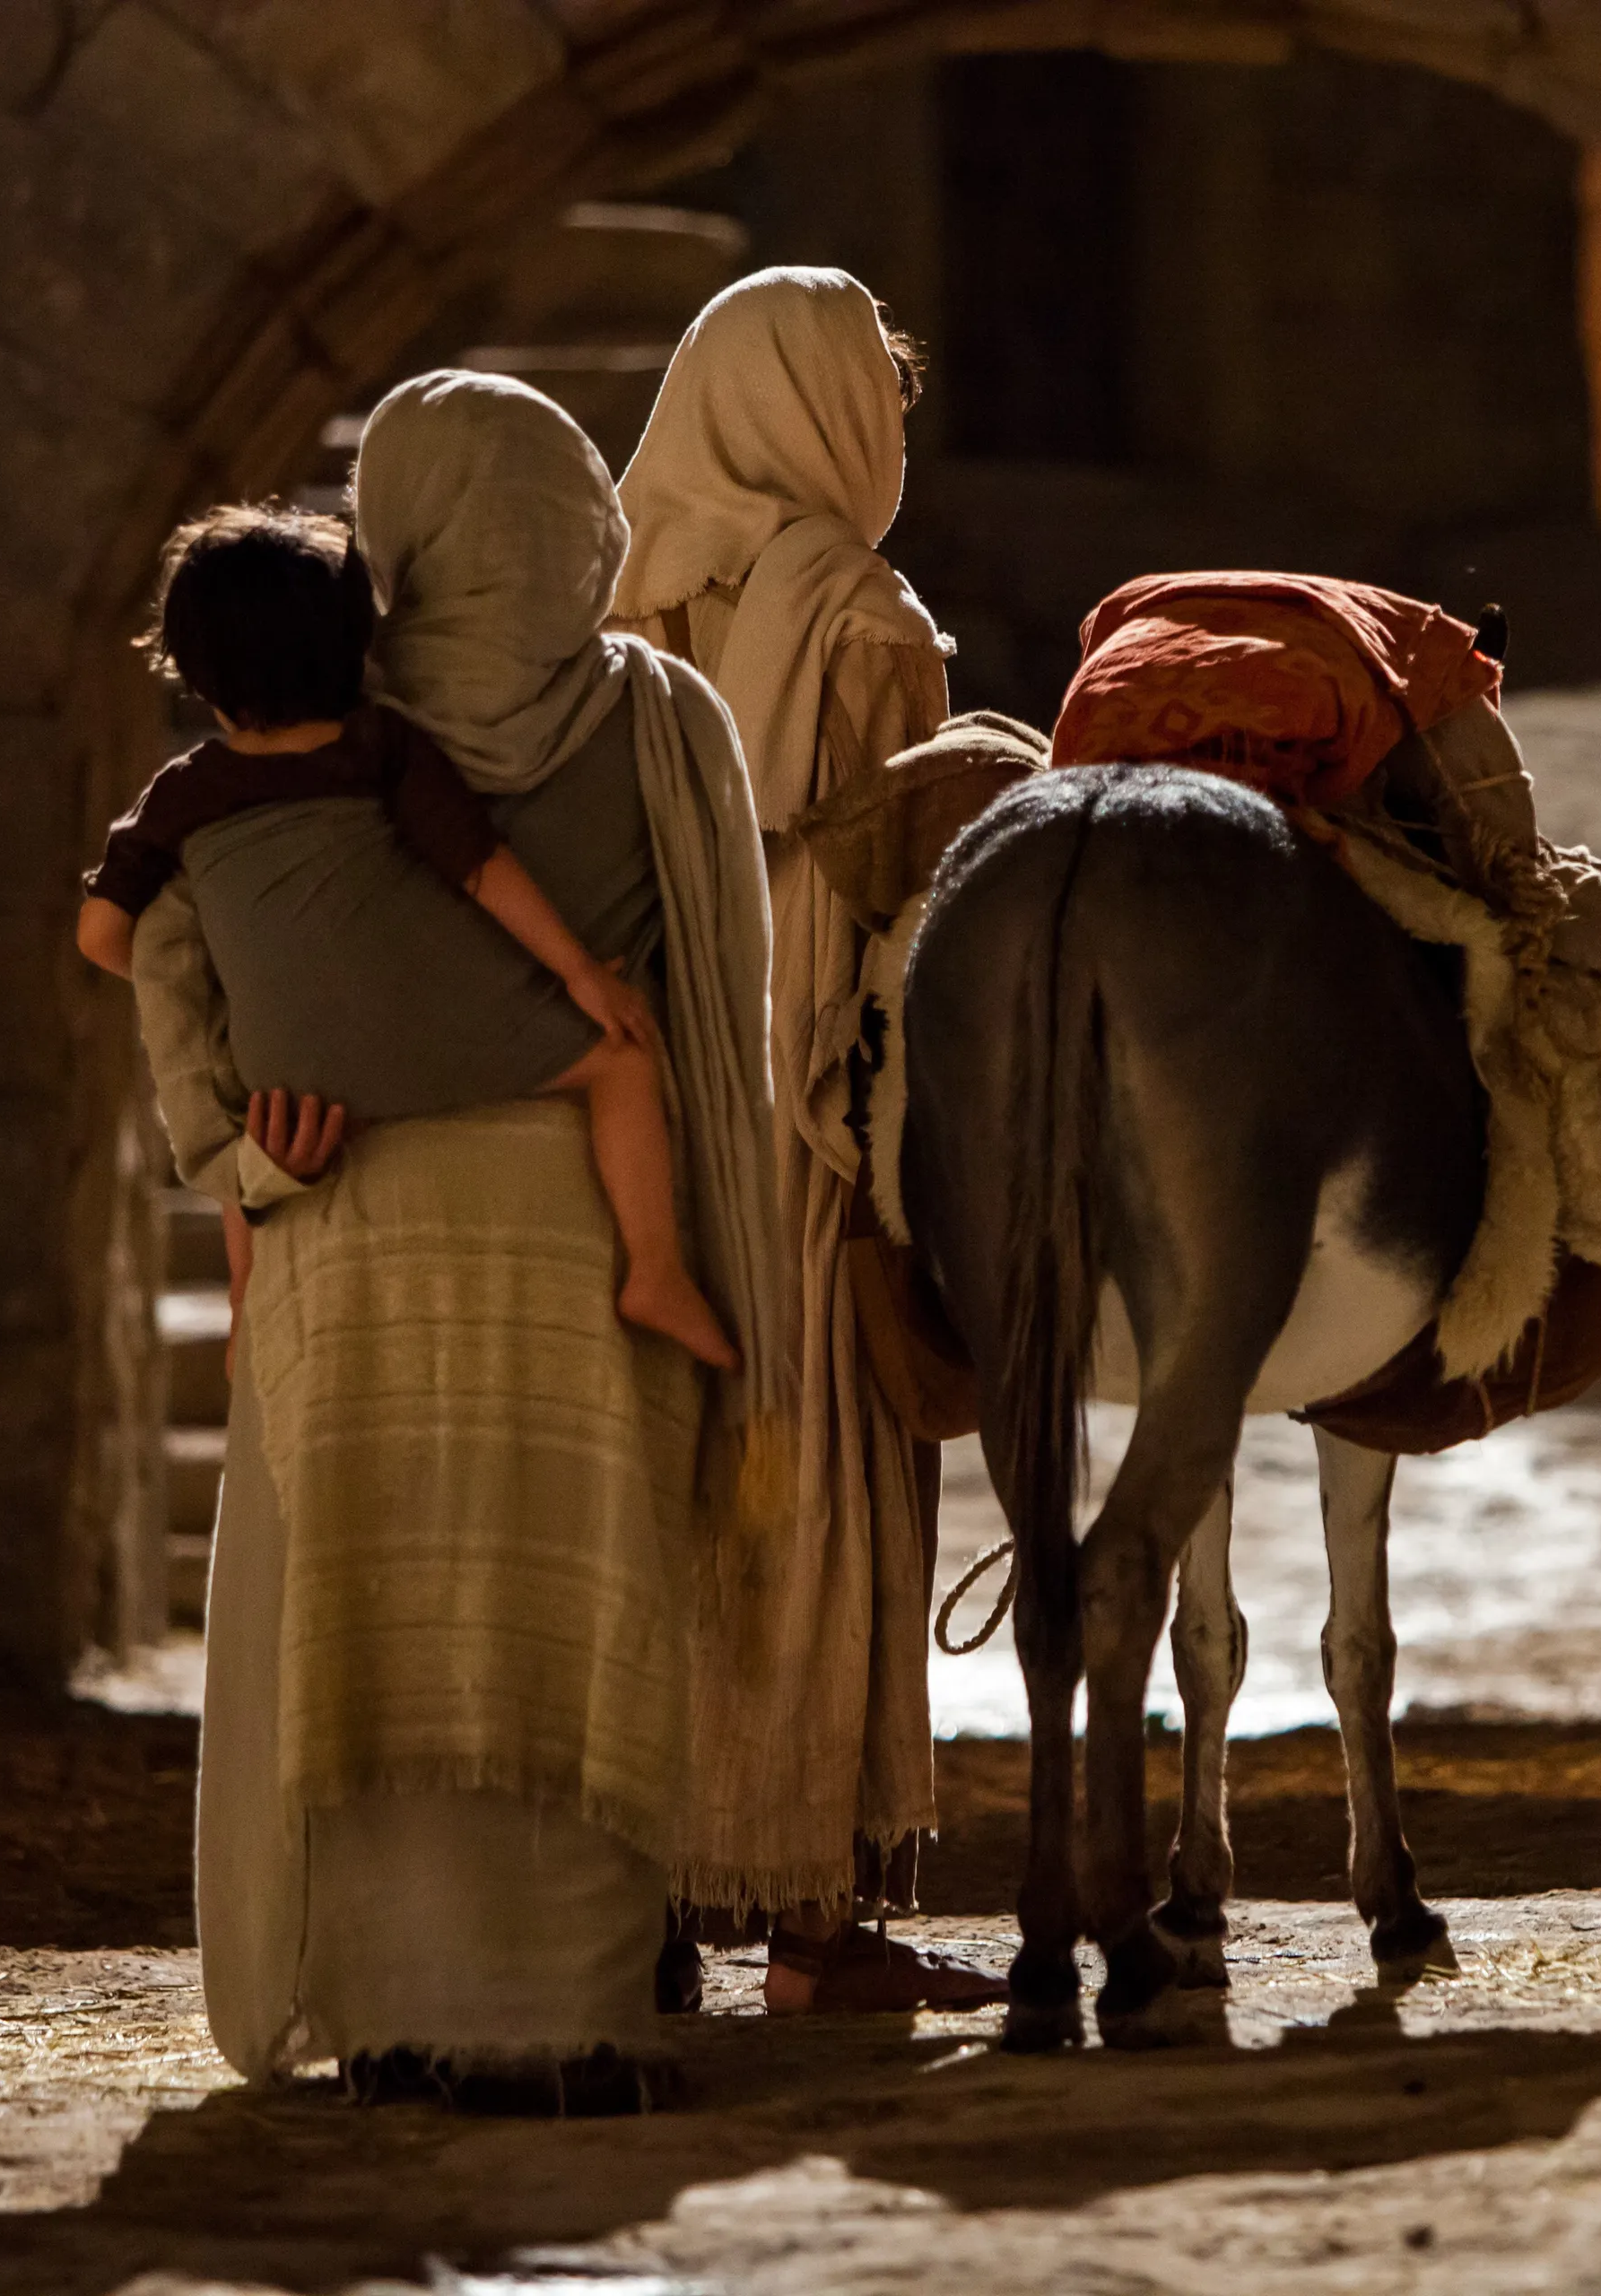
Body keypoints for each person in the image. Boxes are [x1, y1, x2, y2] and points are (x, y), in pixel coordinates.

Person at [126, 370, 787, 2107]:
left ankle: (394, 2013)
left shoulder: (301, 727)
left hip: (338, 1216)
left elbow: (173, 972)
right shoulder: (653, 715)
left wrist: (235, 1153)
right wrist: (711, 1242)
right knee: (569, 1609)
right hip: (581, 1226)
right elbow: (714, 1012)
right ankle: (569, 2016)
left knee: (368, 1615)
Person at [609, 265, 1000, 2013]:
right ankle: (815, 1916)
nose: (895, 424)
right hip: (807, 1076)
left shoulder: (623, 588)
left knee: (665, 1475)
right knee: (823, 1460)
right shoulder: (857, 610)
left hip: (644, 1064)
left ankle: (642, 1897)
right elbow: (912, 875)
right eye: (884, 393)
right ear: (830, 407)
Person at [76, 503, 735, 1371]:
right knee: (620, 1061)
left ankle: (245, 1304)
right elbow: (478, 865)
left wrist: (243, 974)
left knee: (229, 1110)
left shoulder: (183, 792)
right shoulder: (382, 745)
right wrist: (581, 974)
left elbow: (100, 936)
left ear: (197, 676)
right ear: (357, 641)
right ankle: (653, 1270)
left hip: (286, 1084)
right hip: (434, 1039)